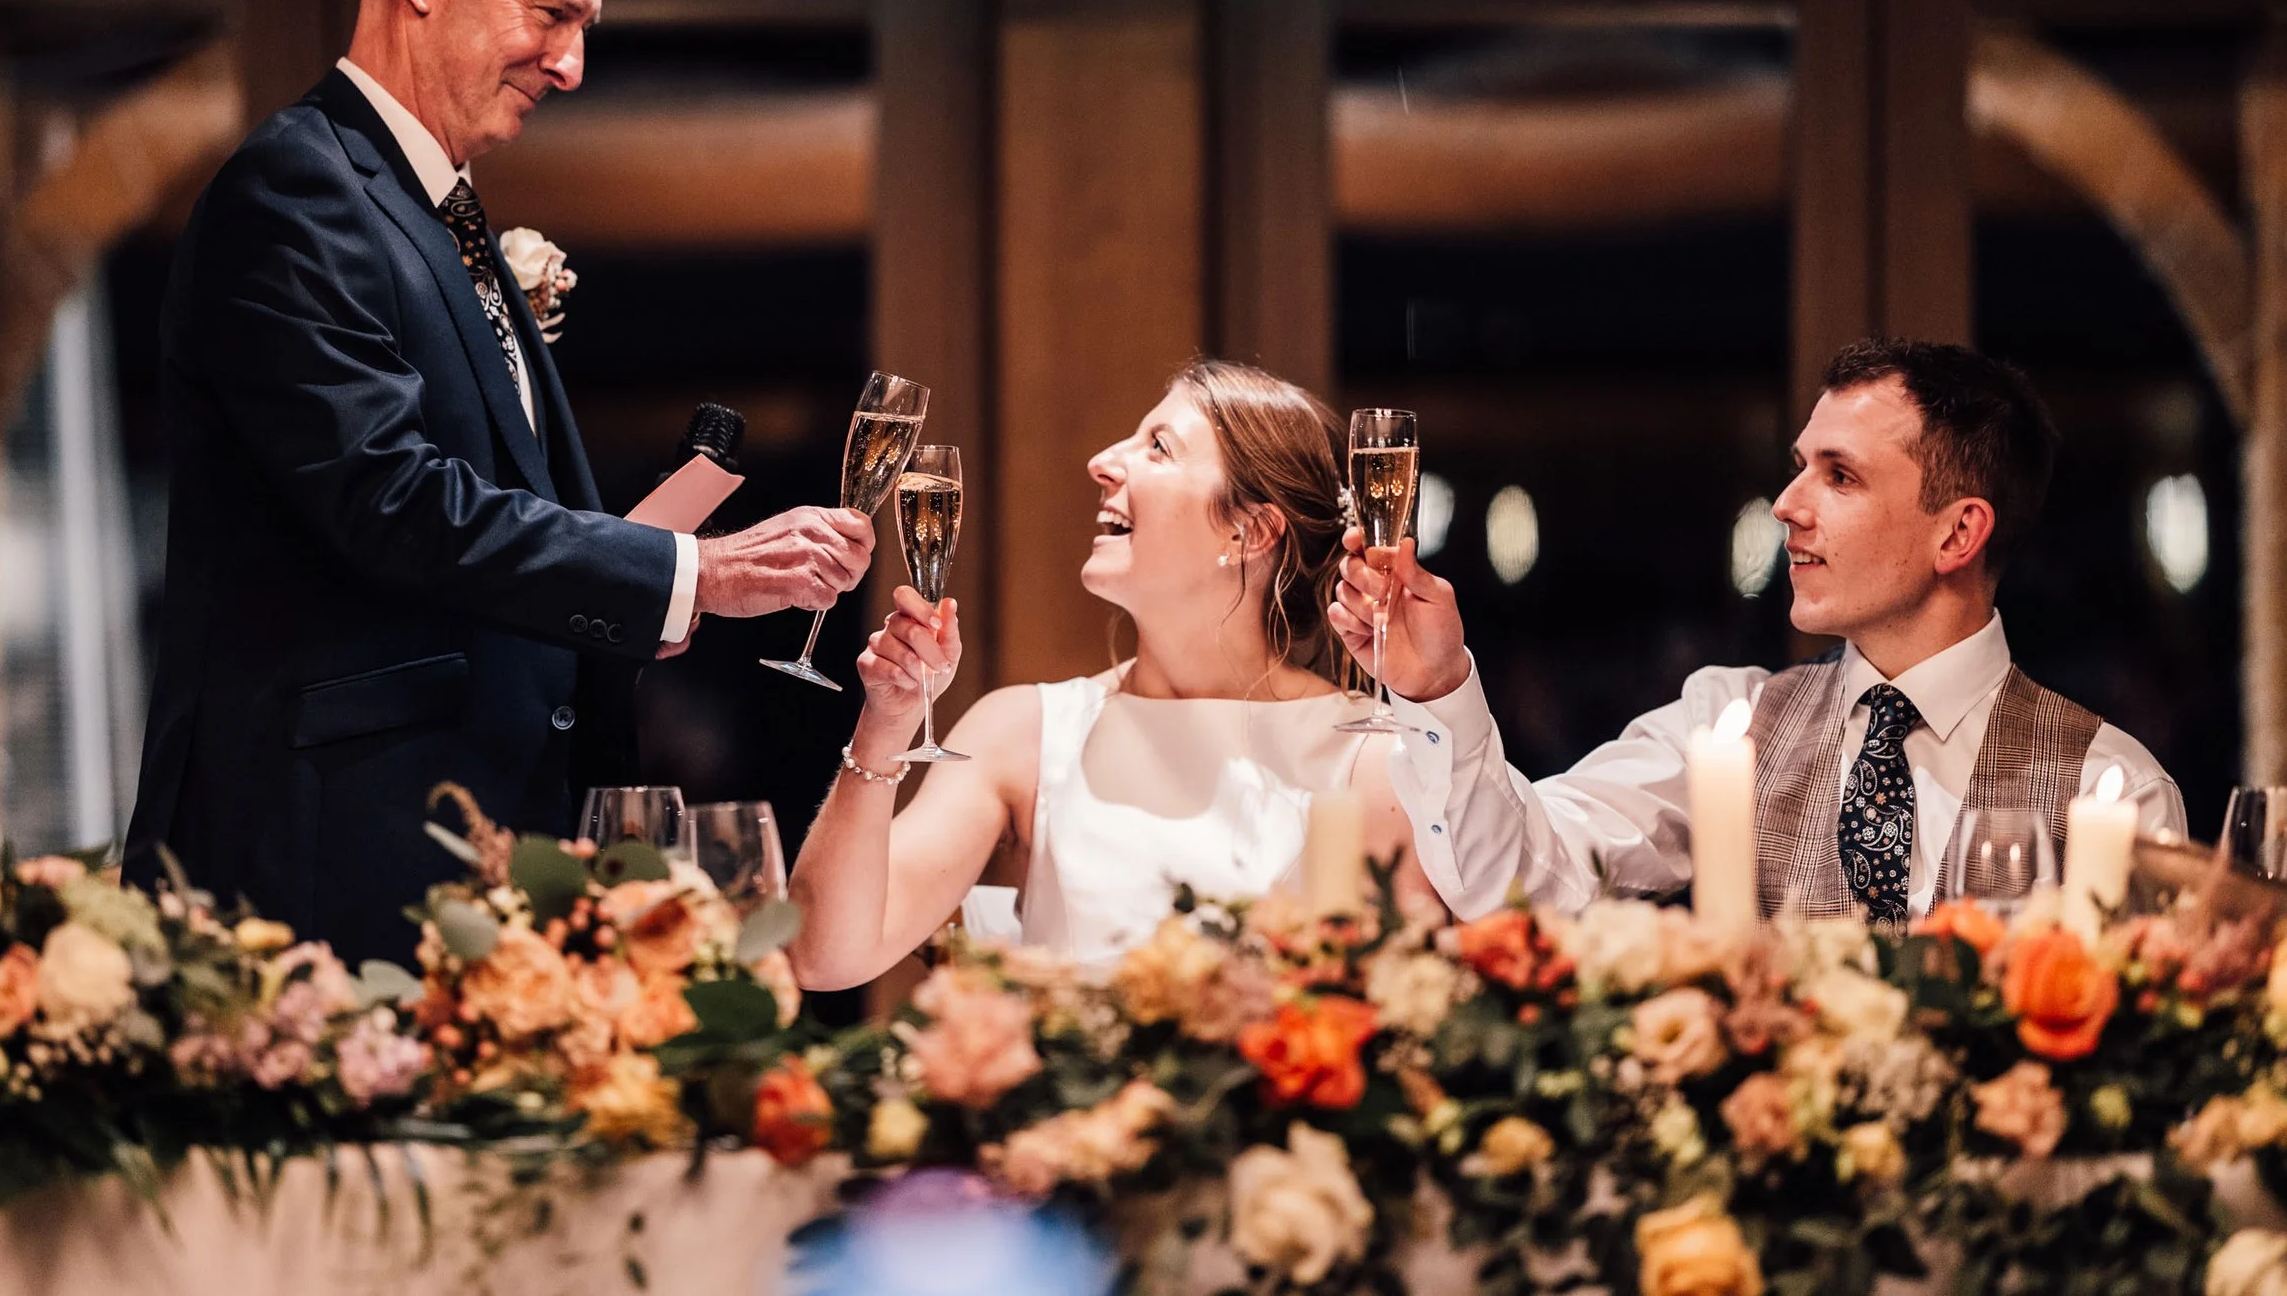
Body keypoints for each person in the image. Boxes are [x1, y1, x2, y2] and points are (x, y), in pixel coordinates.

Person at [123, 0, 875, 964]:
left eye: (585, 30)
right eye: (552, 14)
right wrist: (686, 576)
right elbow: (391, 495)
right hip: (338, 856)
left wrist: (627, 587)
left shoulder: (442, 215)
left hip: (472, 850)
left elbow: (466, 519)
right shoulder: (299, 191)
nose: (570, 65)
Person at [1333, 338, 2184, 924]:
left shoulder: (2114, 790)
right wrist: (1438, 690)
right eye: (1799, 467)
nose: (1788, 504)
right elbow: (1517, 876)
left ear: (1957, 535)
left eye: (1839, 476)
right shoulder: (1731, 725)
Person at [786, 360, 1439, 987]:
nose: (1101, 461)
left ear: (1250, 530)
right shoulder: (1023, 732)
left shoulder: (1368, 760)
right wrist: (886, 724)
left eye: (1157, 447)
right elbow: (824, 955)